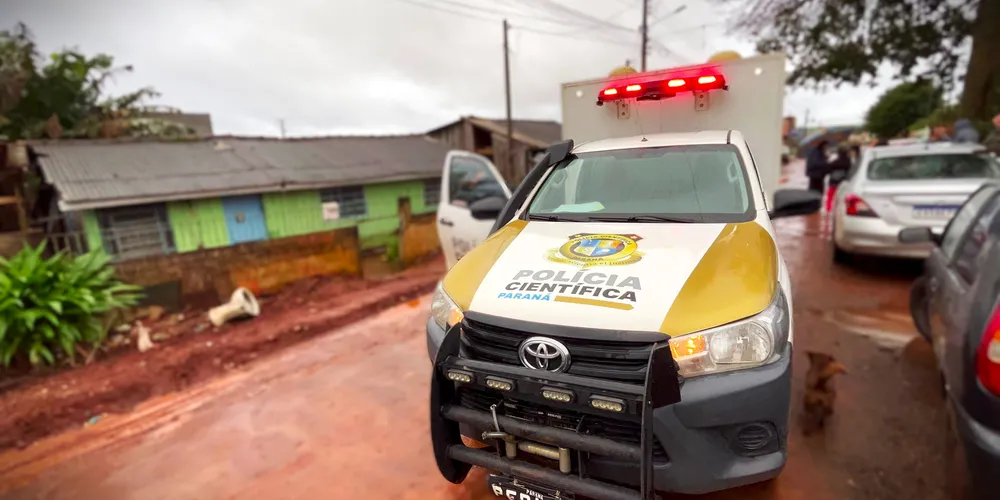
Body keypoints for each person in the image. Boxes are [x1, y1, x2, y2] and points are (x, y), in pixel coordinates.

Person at [825, 147, 852, 212]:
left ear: (839, 154)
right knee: (843, 198)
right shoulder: (848, 162)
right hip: (843, 183)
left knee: (830, 197)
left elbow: (827, 169)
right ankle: (842, 210)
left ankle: (828, 210)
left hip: (833, 182)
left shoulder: (834, 162)